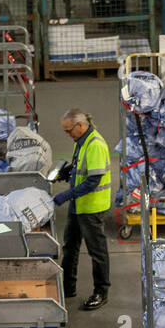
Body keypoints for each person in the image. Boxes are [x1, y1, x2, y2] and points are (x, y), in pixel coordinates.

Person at [52, 109, 112, 311]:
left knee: (97, 252)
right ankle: (67, 287)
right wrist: (66, 172)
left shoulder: (95, 144)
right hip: (79, 206)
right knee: (70, 246)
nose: (68, 135)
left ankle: (101, 292)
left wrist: (65, 196)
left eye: (69, 131)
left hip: (92, 207)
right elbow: (81, 168)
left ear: (80, 125)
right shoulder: (82, 142)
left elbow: (93, 180)